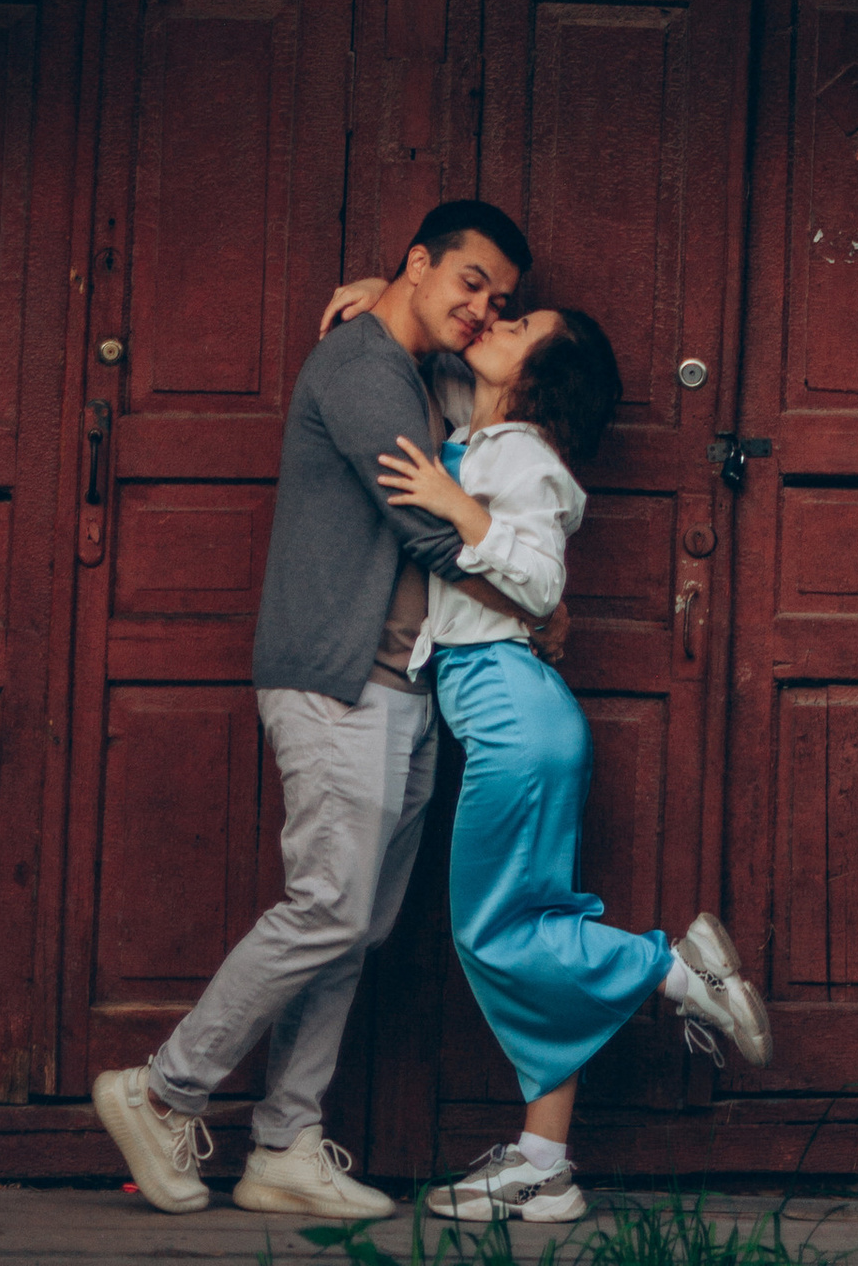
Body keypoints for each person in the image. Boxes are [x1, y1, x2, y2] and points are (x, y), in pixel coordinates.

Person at [89, 198, 533, 1220]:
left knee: (356, 924)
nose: (478, 309)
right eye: (466, 283)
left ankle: (285, 1141)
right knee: (328, 906)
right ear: (417, 260)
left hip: (402, 682)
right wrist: (531, 600)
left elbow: (490, 404)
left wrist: (405, 312)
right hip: (338, 679)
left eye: (498, 300)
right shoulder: (363, 369)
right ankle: (161, 1090)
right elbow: (427, 531)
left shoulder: (414, 368)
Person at [376, 297, 772, 1223]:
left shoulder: (514, 456)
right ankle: (544, 1164)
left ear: (536, 381)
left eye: (514, 332)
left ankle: (676, 973)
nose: (491, 327)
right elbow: (426, 342)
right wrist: (375, 295)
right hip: (523, 715)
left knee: (497, 933)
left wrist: (454, 507)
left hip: (513, 718)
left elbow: (542, 579)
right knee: (535, 925)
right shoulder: (486, 433)